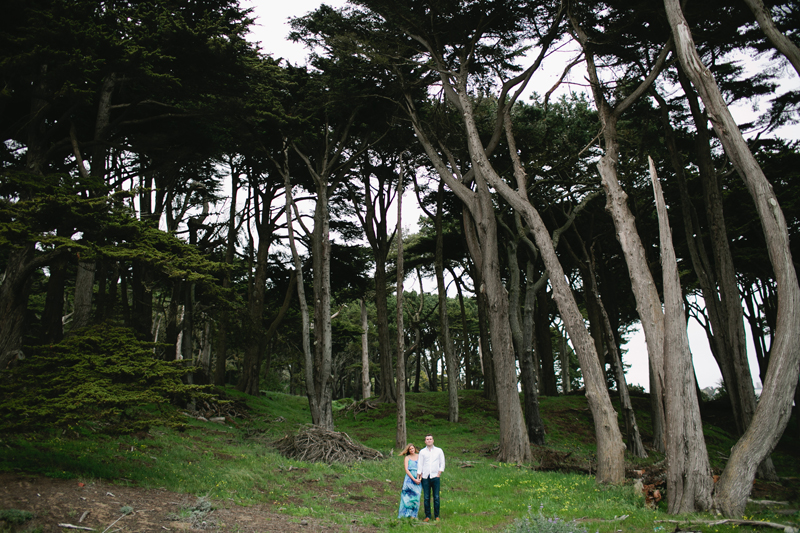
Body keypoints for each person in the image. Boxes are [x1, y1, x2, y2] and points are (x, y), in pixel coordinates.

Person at [417, 433, 445, 522]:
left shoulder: (439, 451)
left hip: (435, 476)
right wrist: (419, 474)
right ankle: (427, 516)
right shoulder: (422, 452)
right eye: (427, 439)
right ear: (425, 441)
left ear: (433, 440)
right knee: (426, 497)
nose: (429, 440)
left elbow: (442, 462)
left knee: (436, 497)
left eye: (430, 439)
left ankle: (437, 515)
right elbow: (420, 464)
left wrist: (439, 473)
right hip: (425, 477)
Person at [398, 443, 421, 518]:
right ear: (408, 450)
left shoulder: (419, 456)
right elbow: (406, 470)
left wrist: (419, 479)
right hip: (409, 479)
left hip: (418, 477)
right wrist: (413, 479)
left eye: (412, 448)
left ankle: (413, 515)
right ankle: (405, 514)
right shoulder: (407, 458)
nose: (412, 450)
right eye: (410, 449)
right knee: (407, 497)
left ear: (415, 449)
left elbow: (422, 468)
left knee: (416, 496)